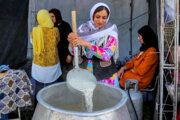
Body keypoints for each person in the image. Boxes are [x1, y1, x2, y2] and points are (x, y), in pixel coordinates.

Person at [68, 2, 119, 87]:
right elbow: (73, 52)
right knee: (88, 97)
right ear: (92, 15)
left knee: (105, 98)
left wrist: (88, 44)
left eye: (104, 18)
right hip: (85, 73)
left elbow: (106, 55)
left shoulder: (111, 31)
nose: (100, 21)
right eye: (97, 17)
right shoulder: (82, 29)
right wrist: (71, 42)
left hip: (105, 75)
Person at [31, 9, 61, 105]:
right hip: (52, 64)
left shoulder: (34, 32)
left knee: (39, 88)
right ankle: (53, 109)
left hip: (39, 64)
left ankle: (37, 110)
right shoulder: (55, 31)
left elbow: (33, 44)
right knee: (53, 89)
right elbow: (57, 41)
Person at [118, 25, 159, 90]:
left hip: (141, 82)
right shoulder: (143, 49)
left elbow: (142, 70)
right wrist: (123, 68)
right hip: (135, 77)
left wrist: (132, 70)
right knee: (120, 74)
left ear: (145, 37)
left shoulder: (152, 52)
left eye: (139, 36)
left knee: (124, 78)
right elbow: (133, 62)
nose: (138, 38)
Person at [49, 9, 73, 82]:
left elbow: (72, 40)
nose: (51, 19)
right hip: (54, 58)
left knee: (64, 78)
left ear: (57, 16)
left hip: (64, 56)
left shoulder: (65, 25)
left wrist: (70, 54)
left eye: (53, 16)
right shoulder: (49, 27)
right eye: (49, 17)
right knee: (54, 78)